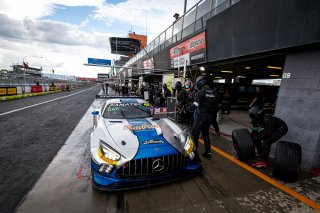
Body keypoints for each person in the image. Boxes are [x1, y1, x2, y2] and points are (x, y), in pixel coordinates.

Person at [185, 76, 219, 159]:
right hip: (210, 117)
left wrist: (186, 109)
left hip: (201, 116)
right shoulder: (214, 93)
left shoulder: (200, 93)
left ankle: (194, 153)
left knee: (194, 134)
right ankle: (208, 153)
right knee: (206, 134)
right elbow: (217, 107)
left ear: (200, 83)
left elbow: (195, 106)